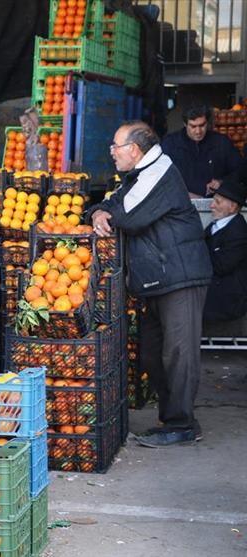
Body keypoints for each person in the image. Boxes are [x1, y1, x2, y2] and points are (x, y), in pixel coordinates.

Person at [90, 121, 212, 447]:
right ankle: (172, 416)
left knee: (178, 353)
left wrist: (107, 213)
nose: (111, 152)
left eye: (116, 146)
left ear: (134, 149)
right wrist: (101, 211)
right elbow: (113, 203)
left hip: (179, 277)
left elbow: (129, 215)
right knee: (151, 355)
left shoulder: (159, 170)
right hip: (158, 278)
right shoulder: (139, 175)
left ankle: (182, 424)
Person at [160, 104, 242, 198]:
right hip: (180, 203)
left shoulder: (221, 143)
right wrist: (183, 194)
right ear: (185, 124)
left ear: (208, 123)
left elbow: (239, 172)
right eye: (193, 126)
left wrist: (221, 182)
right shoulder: (170, 144)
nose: (198, 131)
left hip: (215, 204)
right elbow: (160, 177)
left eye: (202, 125)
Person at [202, 175, 247, 322]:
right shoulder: (218, 224)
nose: (211, 205)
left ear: (232, 207)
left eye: (217, 202)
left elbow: (221, 266)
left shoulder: (239, 232)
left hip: (226, 300)